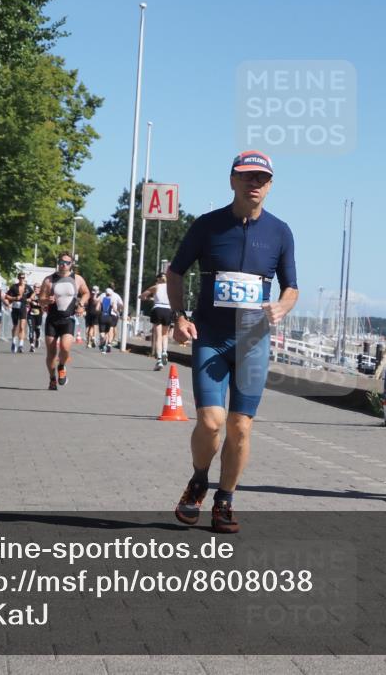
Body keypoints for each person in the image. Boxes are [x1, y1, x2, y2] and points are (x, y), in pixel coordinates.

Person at [168, 150, 297, 533]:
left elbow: (292, 288)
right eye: (247, 177)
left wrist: (282, 307)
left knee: (240, 427)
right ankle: (198, 479)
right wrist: (179, 317)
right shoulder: (207, 226)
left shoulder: (280, 232)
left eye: (262, 179)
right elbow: (175, 274)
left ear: (270, 185)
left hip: (253, 342)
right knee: (211, 422)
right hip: (211, 337)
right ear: (232, 181)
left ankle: (224, 499)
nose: (254, 184)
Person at [38, 253, 89, 391]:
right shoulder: (49, 280)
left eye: (66, 262)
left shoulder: (77, 279)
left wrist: (81, 304)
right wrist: (47, 301)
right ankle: (52, 379)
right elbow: (40, 299)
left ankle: (61, 366)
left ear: (71, 264)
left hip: (68, 319)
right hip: (52, 320)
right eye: (61, 261)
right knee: (51, 353)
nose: (63, 264)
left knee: (66, 348)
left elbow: (86, 293)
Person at [140, 273, 173, 370]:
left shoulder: (155, 287)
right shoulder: (171, 287)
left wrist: (144, 298)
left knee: (158, 335)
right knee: (165, 334)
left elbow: (143, 295)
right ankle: (164, 352)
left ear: (158, 279)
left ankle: (159, 360)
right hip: (168, 309)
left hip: (157, 309)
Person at [5, 272, 33, 353]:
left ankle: (21, 345)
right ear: (18, 278)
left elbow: (33, 293)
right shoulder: (14, 287)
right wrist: (14, 298)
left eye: (23, 278)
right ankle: (14, 342)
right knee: (15, 325)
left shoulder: (27, 287)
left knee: (22, 326)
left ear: (25, 278)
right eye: (20, 277)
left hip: (23, 307)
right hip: (15, 307)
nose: (22, 279)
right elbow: (7, 296)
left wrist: (30, 298)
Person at [98, 285, 122, 353]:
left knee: (104, 332)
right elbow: (120, 305)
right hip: (112, 316)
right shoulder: (116, 296)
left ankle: (103, 342)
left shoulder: (102, 295)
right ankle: (109, 344)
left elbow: (97, 304)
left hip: (102, 316)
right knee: (110, 330)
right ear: (113, 289)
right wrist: (119, 311)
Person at [26, 284, 44, 352]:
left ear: (40, 288)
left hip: (39, 315)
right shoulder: (31, 293)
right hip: (31, 315)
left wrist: (37, 304)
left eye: (37, 287)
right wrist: (34, 294)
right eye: (34, 287)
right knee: (31, 329)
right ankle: (32, 345)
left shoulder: (42, 295)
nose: (36, 288)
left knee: (37, 329)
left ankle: (37, 339)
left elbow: (44, 304)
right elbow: (29, 300)